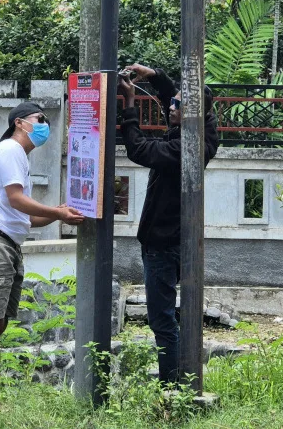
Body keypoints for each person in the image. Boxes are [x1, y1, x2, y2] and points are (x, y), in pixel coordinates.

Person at [0, 102, 84, 406]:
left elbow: (26, 218)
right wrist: (58, 212)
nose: (45, 125)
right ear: (19, 122)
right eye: (39, 119)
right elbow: (17, 200)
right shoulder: (10, 150)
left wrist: (58, 214)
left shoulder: (18, 157)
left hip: (4, 243)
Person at [117, 64, 220, 384]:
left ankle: (172, 387)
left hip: (163, 244)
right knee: (169, 319)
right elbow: (175, 99)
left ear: (193, 115)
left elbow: (138, 149)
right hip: (172, 239)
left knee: (162, 322)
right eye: (173, 101)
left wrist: (129, 104)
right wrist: (154, 76)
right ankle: (177, 381)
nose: (170, 107)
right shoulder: (201, 131)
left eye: (178, 105)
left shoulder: (185, 149)